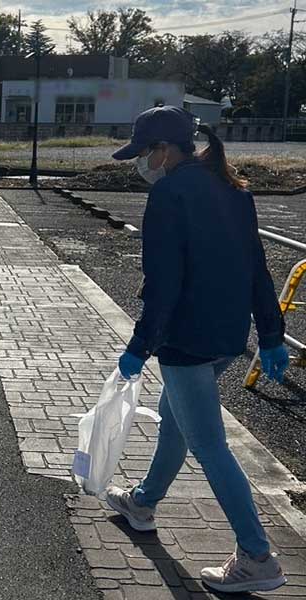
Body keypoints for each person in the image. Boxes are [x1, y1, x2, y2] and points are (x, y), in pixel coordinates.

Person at [104, 106, 290, 594]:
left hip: (184, 338)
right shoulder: (234, 190)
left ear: (164, 150)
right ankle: (142, 502)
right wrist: (270, 335)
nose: (143, 164)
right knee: (175, 420)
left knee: (209, 445)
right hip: (227, 336)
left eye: (145, 154)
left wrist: (140, 346)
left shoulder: (170, 193)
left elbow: (164, 282)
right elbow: (257, 269)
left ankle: (256, 556)